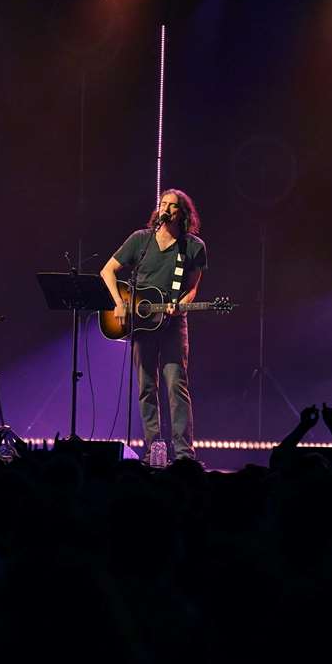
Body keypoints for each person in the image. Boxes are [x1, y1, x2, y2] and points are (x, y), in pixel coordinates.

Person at [100, 189, 207, 463]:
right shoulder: (140, 240)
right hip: (141, 326)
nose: (166, 209)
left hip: (173, 325)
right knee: (146, 387)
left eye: (172, 206)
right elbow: (107, 270)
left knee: (175, 386)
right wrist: (119, 303)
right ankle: (154, 452)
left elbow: (193, 288)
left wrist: (179, 303)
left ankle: (184, 455)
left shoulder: (192, 246)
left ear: (182, 213)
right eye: (163, 204)